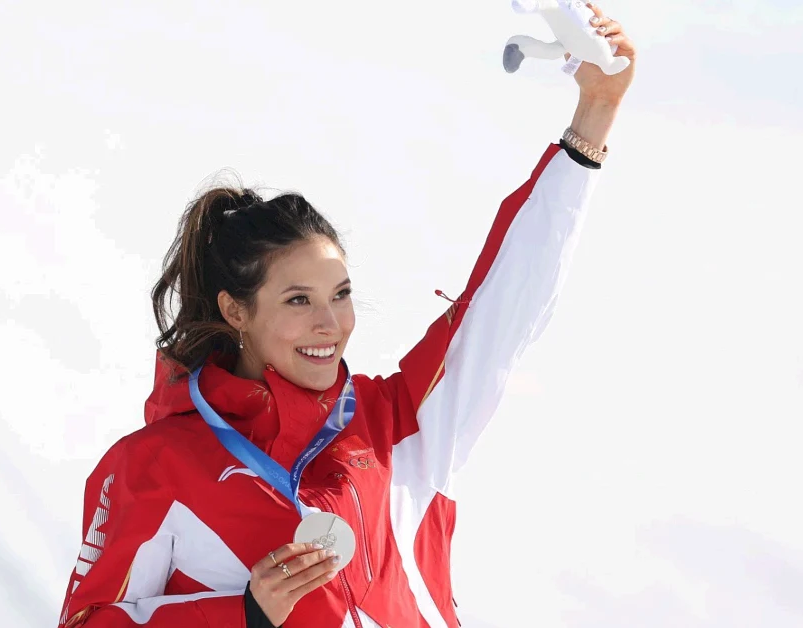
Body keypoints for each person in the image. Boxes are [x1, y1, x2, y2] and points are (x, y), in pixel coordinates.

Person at [57, 8, 636, 628]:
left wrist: (595, 115)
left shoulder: (398, 426)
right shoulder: (154, 465)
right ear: (235, 310)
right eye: (298, 300)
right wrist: (244, 616)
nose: (330, 323)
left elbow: (504, 303)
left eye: (341, 293)